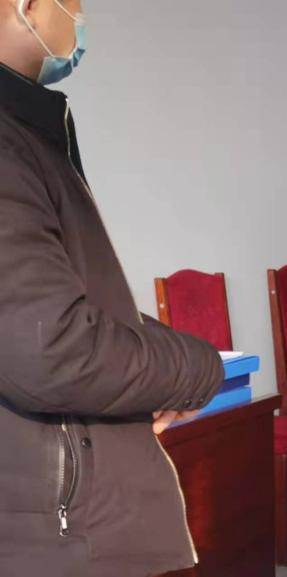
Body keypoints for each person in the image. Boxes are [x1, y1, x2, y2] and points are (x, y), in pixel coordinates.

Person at [0, 1, 226, 574]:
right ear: (24, 7)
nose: (78, 17)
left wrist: (179, 362)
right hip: (51, 534)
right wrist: (199, 369)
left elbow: (68, 305)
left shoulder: (27, 132)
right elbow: (51, 348)